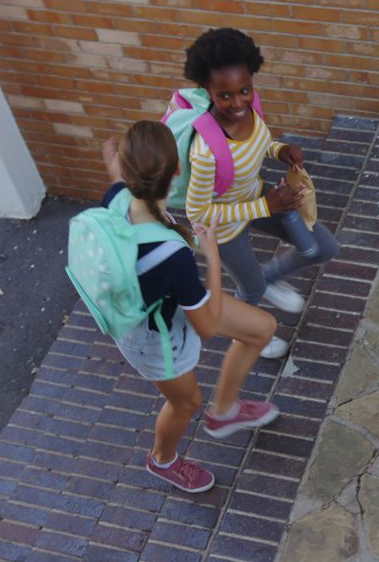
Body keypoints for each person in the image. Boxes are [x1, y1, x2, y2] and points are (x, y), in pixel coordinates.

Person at [100, 121, 280, 493]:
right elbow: (208, 326)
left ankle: (225, 412)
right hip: (152, 336)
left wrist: (113, 153)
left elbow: (113, 164)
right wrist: (212, 257)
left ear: (127, 171)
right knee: (186, 404)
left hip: (166, 298)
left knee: (261, 329)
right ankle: (162, 460)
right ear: (179, 171)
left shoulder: (117, 197)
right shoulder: (172, 256)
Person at [182, 28, 339, 359]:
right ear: (208, 90)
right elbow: (197, 215)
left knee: (323, 247)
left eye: (244, 90)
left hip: (258, 197)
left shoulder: (252, 110)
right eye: (225, 96)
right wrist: (264, 205)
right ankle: (252, 335)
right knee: (250, 289)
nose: (238, 102)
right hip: (224, 228)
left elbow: (260, 145)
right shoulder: (205, 151)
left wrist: (280, 151)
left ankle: (269, 278)